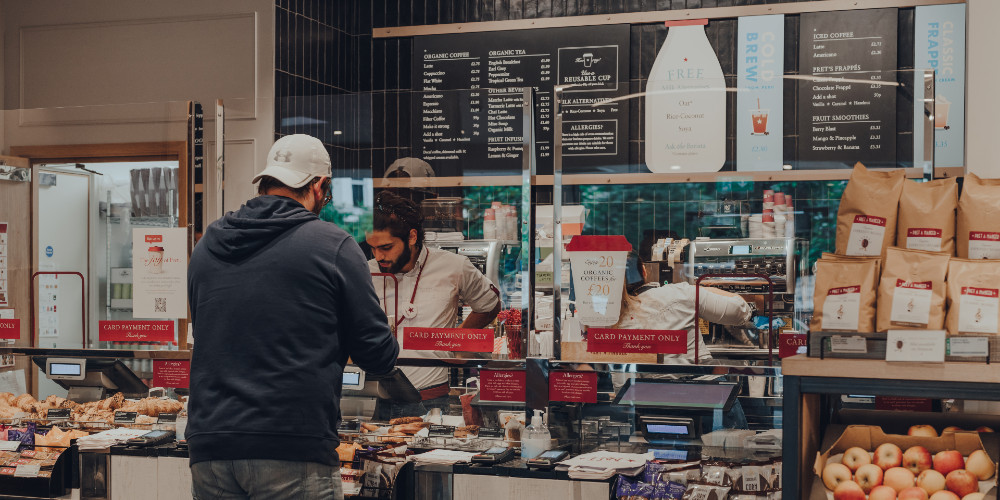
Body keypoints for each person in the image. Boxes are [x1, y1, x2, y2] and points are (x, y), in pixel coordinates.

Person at [187, 134, 399, 500]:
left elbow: (207, 328)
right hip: (291, 446)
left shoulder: (206, 246)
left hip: (210, 449)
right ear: (318, 186)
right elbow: (377, 354)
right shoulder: (332, 245)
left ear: (266, 182)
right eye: (327, 194)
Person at [367, 191, 500, 420]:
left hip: (430, 401)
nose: (378, 256)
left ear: (411, 237)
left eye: (386, 248)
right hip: (375, 399)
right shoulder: (365, 271)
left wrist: (458, 338)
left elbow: (489, 304)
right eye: (373, 247)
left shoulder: (453, 266)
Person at [612, 252, 757, 363]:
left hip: (644, 395)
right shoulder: (681, 293)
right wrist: (703, 289)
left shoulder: (608, 317)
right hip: (699, 387)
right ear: (644, 271)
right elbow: (740, 312)